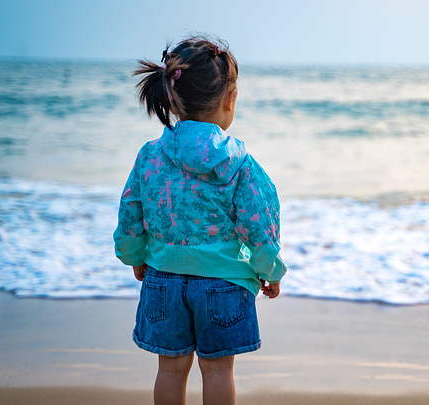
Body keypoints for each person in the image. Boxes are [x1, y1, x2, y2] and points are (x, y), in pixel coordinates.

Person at [113, 36, 286, 405]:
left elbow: (131, 211)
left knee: (171, 371)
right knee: (218, 371)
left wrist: (135, 255)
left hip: (163, 279)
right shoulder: (239, 164)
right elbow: (259, 224)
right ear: (229, 99)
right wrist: (269, 268)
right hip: (223, 283)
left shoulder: (150, 156)